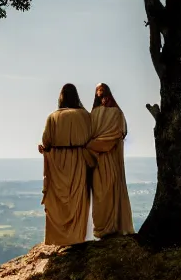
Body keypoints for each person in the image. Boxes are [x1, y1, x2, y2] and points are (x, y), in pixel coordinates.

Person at [38, 83, 95, 246]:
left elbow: (46, 141)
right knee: (78, 199)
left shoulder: (53, 117)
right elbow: (92, 137)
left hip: (58, 162)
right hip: (79, 160)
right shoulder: (86, 116)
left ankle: (60, 239)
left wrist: (47, 149)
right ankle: (79, 237)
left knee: (59, 201)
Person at [87, 83, 135, 238]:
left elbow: (113, 135)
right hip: (103, 159)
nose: (103, 98)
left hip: (102, 159)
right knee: (104, 194)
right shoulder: (109, 114)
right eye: (99, 94)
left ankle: (107, 228)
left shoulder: (100, 114)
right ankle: (105, 228)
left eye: (103, 93)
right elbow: (120, 133)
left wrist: (93, 145)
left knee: (104, 193)